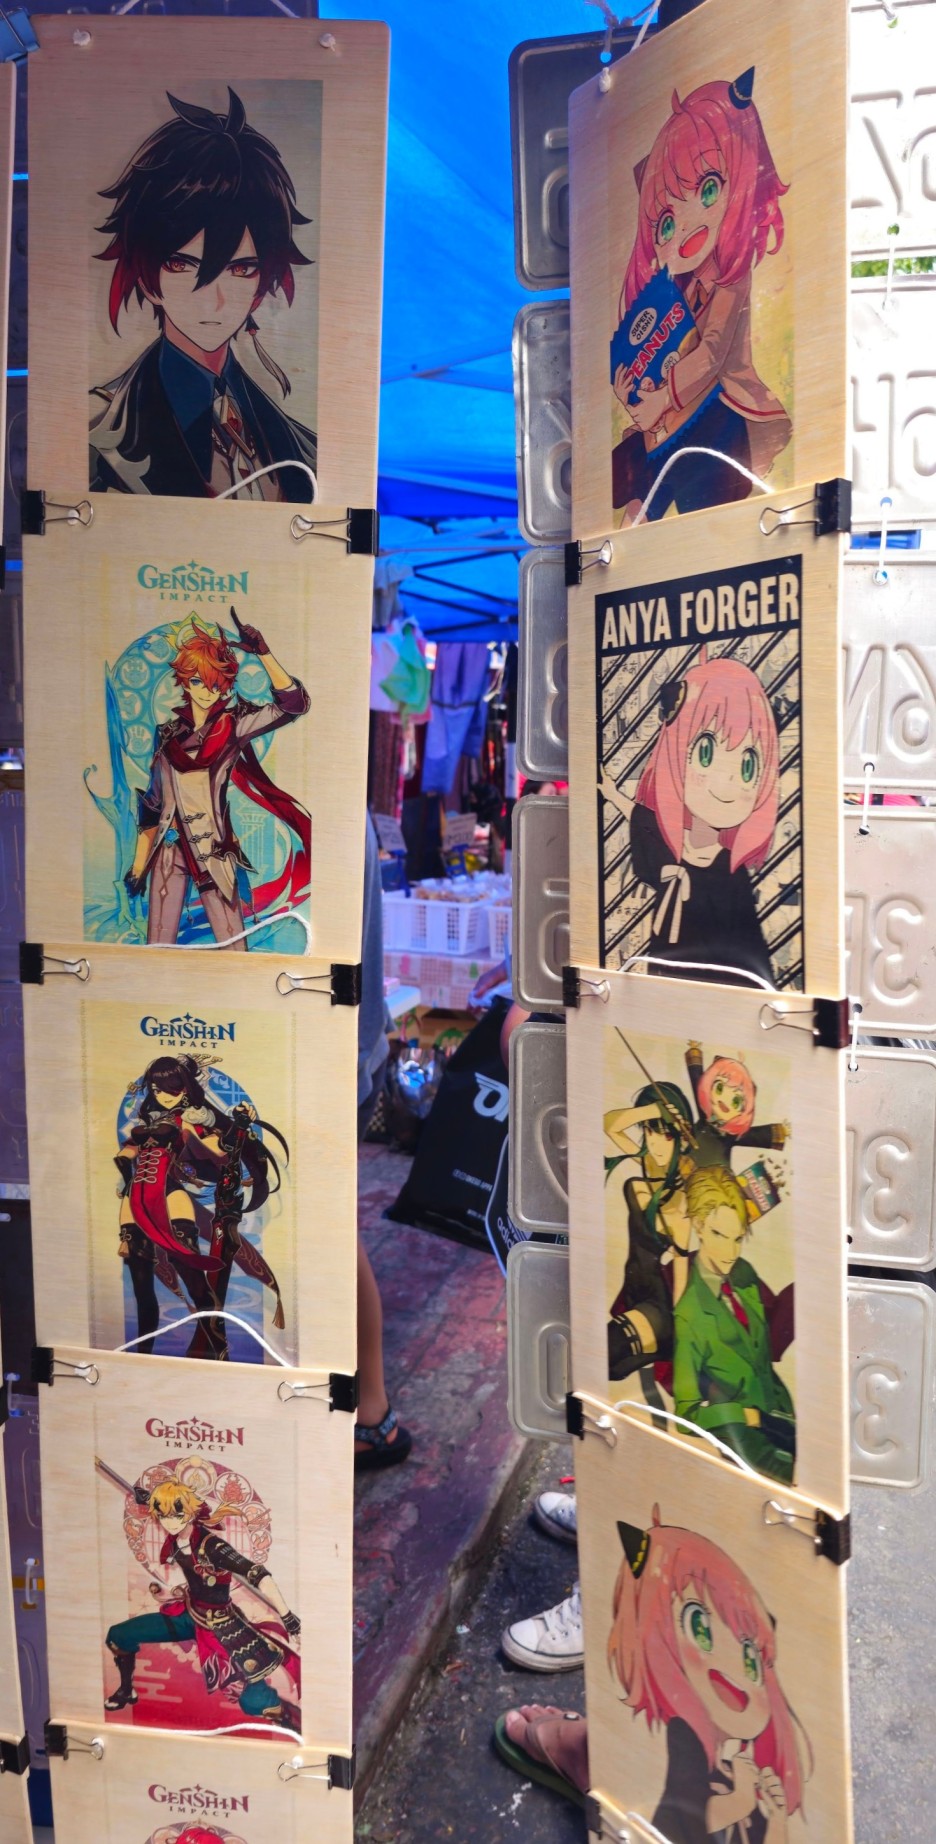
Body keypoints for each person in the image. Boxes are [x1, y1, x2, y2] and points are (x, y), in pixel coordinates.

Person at [90, 89, 317, 500]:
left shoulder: (305, 450)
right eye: (182, 265)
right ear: (147, 276)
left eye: (241, 269)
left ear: (261, 284)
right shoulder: (95, 438)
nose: (215, 301)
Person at [612, 69, 791, 523]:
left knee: (708, 528)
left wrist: (662, 397)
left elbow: (712, 352)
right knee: (631, 527)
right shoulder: (673, 290)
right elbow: (653, 357)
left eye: (709, 189)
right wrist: (631, 393)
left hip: (716, 424)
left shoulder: (730, 275)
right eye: (666, 223)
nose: (686, 227)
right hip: (667, 433)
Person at [124, 611, 310, 949]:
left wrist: (264, 653)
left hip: (213, 850)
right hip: (168, 850)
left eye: (215, 684)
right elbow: (153, 804)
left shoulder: (233, 725)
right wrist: (138, 865)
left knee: (232, 942)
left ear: (224, 685)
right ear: (185, 681)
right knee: (158, 946)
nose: (207, 691)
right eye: (198, 681)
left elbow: (293, 705)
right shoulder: (167, 734)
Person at [600, 652, 780, 987]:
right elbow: (642, 819)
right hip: (661, 983)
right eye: (706, 753)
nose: (726, 782)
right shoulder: (668, 847)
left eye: (748, 767)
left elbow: (749, 949)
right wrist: (611, 794)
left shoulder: (731, 872)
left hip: (716, 994)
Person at [116, 1052, 286, 1360]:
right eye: (156, 1089)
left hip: (172, 1195)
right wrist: (125, 1171)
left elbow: (219, 1153)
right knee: (142, 1285)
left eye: (169, 1088)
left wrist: (236, 1125)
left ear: (185, 1087)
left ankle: (216, 1345)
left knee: (193, 1275)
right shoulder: (147, 1121)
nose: (161, 1095)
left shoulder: (194, 1118)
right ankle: (140, 1357)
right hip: (136, 1198)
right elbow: (127, 1154)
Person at [104, 1480, 301, 1732]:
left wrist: (287, 1616)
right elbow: (162, 1506)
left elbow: (259, 1574)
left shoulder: (213, 1547)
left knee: (255, 1702)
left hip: (222, 1626)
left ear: (190, 1512)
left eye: (176, 1515)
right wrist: (150, 1498)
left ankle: (291, 1721)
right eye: (163, 1515)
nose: (169, 1522)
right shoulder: (178, 1537)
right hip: (189, 1614)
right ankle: (125, 1690)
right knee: (119, 1635)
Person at [673, 1166, 795, 1482]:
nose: (730, 1252)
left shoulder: (743, 1273)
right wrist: (743, 1415)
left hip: (784, 1420)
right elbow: (685, 1415)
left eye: (738, 1238)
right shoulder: (690, 1314)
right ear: (699, 1226)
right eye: (719, 1235)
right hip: (744, 1440)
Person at [355, 813, 412, 1470]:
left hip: (336, 1047)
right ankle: (370, 1409)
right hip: (352, 1045)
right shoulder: (350, 805)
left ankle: (373, 1412)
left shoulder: (329, 791)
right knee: (331, 1234)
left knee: (329, 1236)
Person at [604, 1080, 695, 1380]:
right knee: (611, 1371)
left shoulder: (681, 1202)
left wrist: (680, 1331)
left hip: (657, 1308)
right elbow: (609, 1124)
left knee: (603, 1350)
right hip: (633, 1294)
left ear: (680, 1137)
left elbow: (680, 1269)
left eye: (665, 1135)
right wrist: (653, 1111)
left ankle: (665, 1344)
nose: (655, 1144)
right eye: (649, 1132)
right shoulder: (646, 1162)